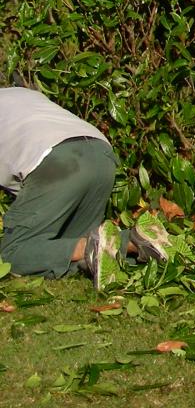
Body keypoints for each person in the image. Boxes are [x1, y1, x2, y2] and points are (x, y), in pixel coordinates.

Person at [1, 86, 170, 289]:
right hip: (100, 153)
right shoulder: (20, 92)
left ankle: (91, 246)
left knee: (11, 255)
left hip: (56, 162)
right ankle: (136, 240)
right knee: (68, 246)